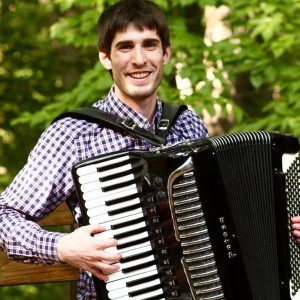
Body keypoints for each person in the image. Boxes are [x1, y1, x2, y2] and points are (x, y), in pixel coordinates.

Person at [0, 0, 208, 299]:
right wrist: (61, 247)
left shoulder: (187, 124)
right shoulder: (74, 133)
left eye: (150, 45)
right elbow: (4, 214)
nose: (139, 59)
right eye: (125, 47)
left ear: (166, 54)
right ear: (105, 58)